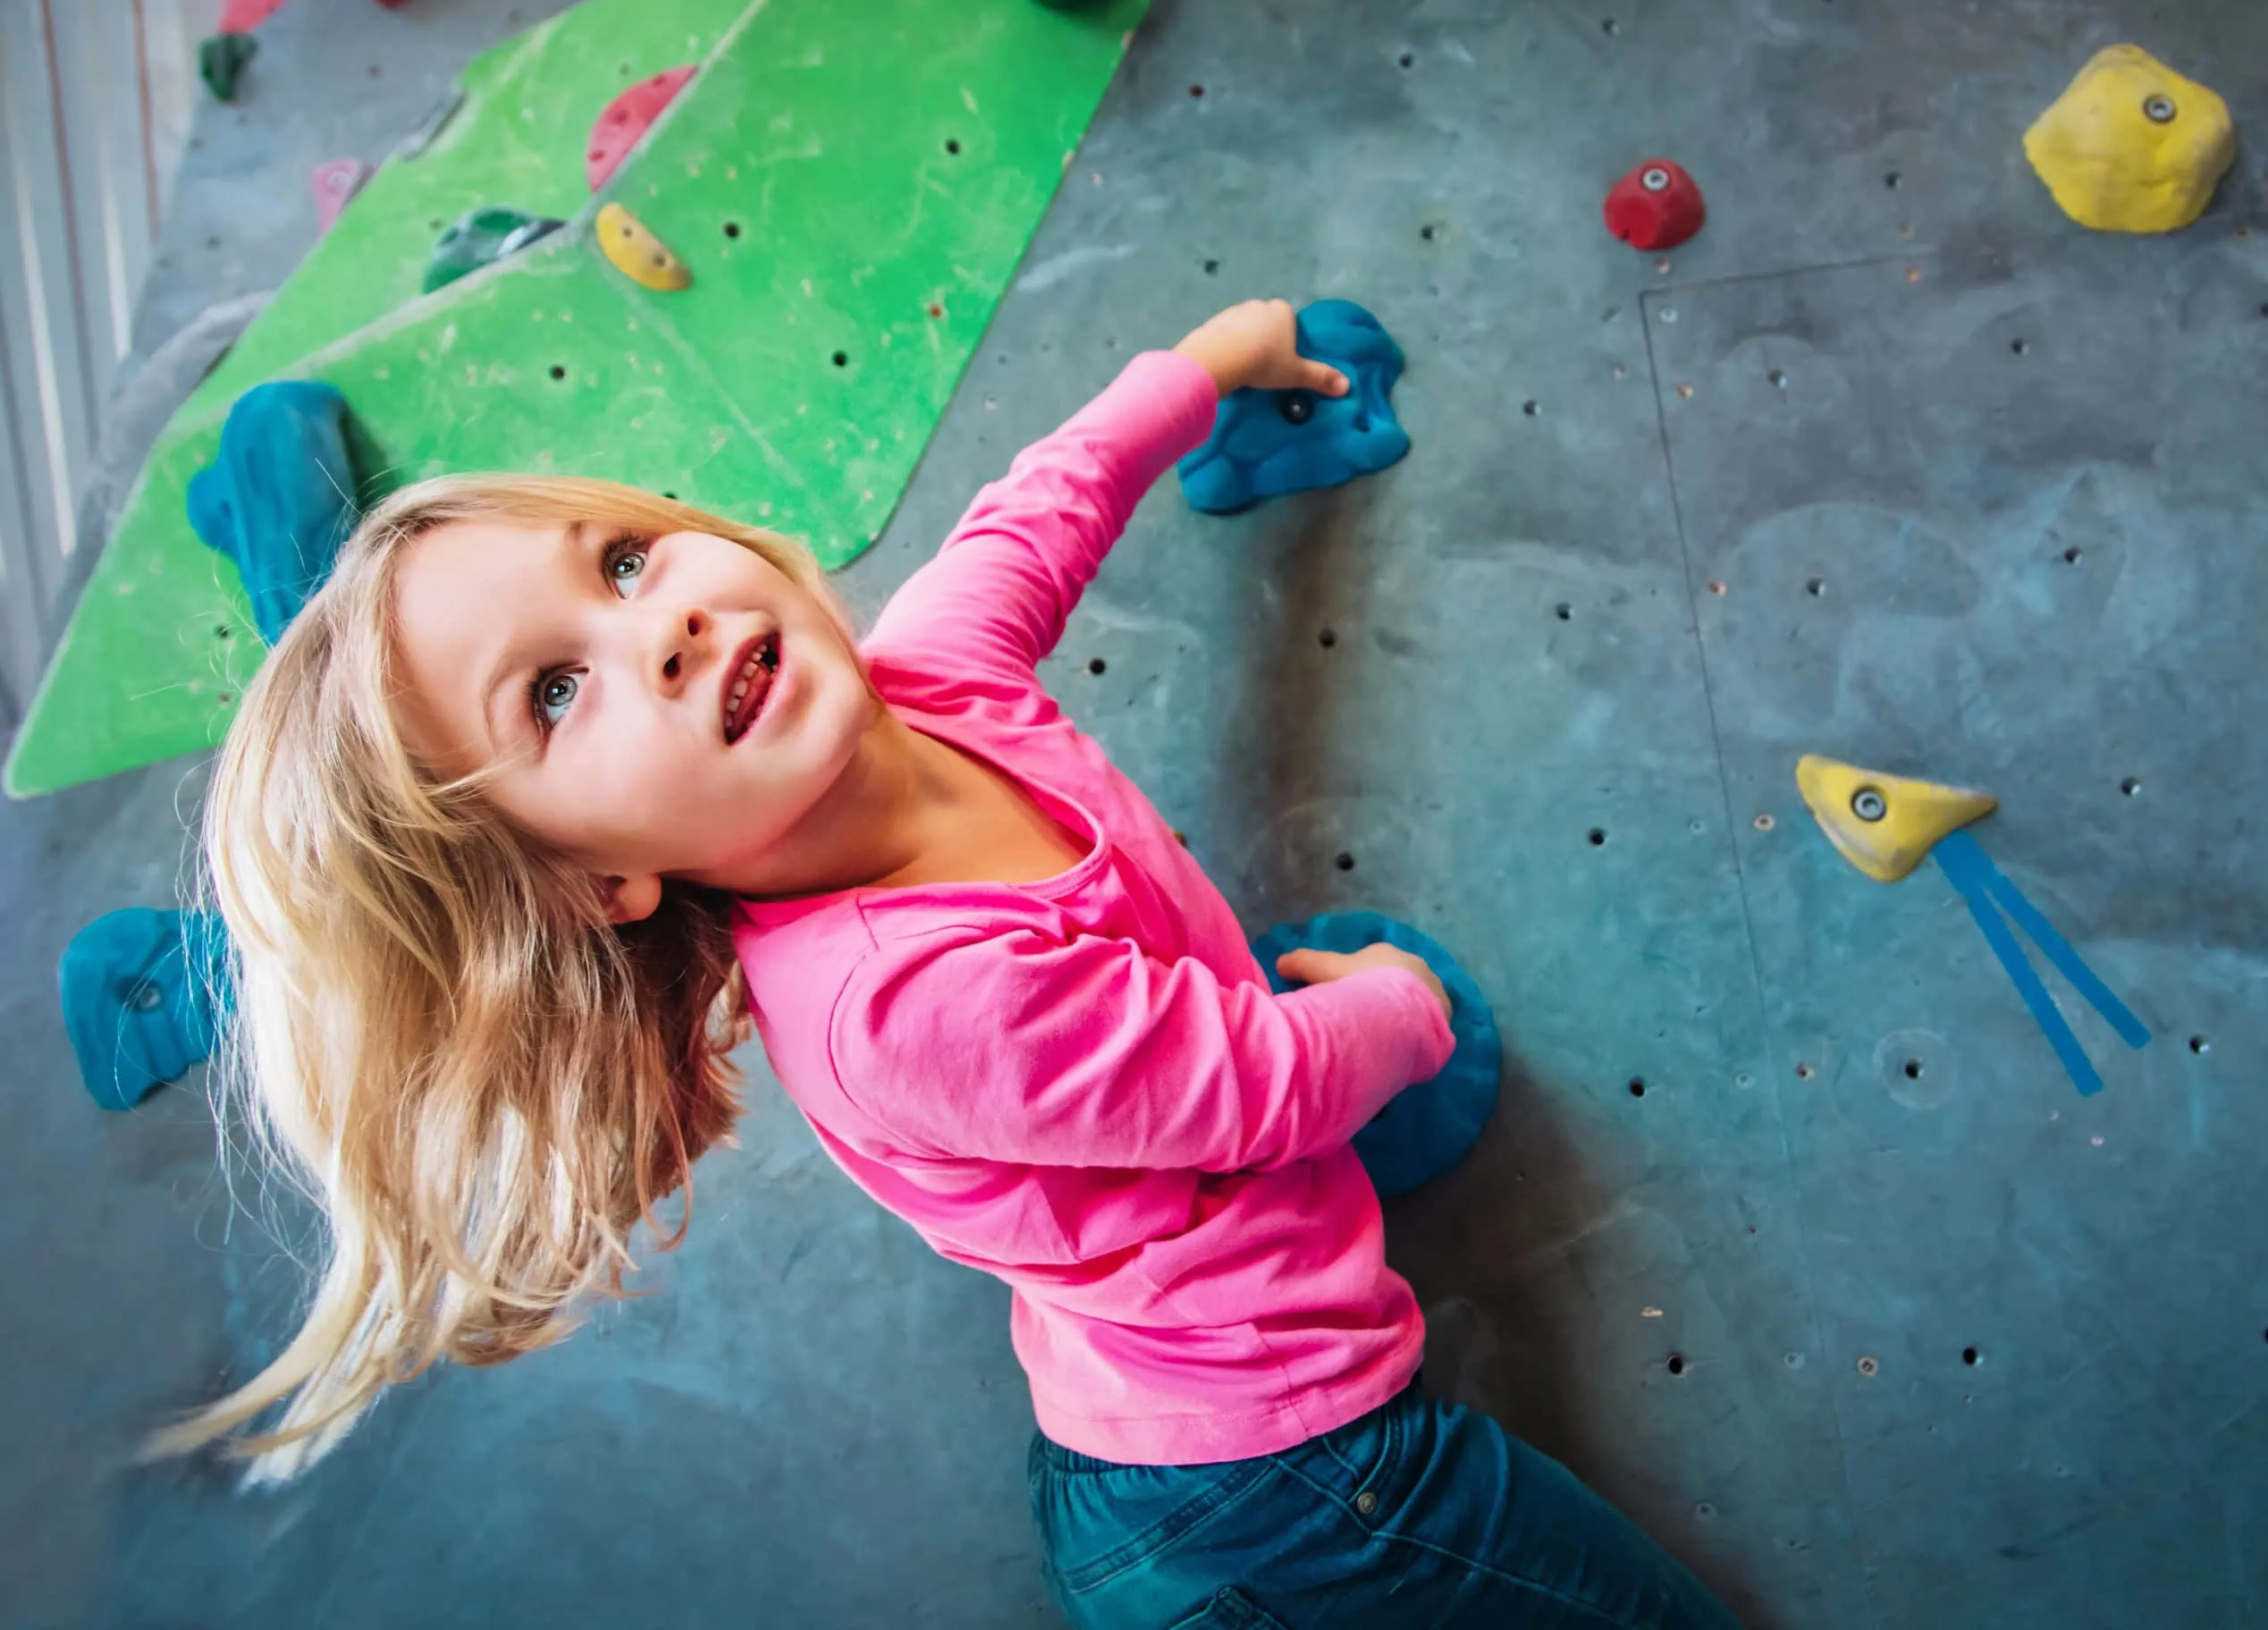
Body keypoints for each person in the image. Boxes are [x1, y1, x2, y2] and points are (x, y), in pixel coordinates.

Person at [166, 300, 1740, 1628]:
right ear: (598, 881)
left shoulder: (931, 675)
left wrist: (1202, 366)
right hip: (1287, 1488)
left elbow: (1042, 506)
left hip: (1150, 1401)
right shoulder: (907, 1008)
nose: (663, 629)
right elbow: (1265, 1084)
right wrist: (1398, 1012)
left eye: (626, 560)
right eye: (558, 692)